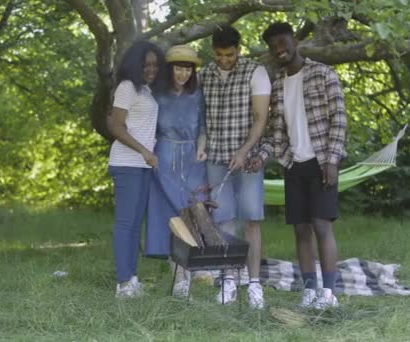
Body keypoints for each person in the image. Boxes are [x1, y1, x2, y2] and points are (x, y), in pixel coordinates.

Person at [251, 22, 347, 310]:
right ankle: (309, 290)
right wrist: (261, 155)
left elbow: (339, 119)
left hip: (321, 162)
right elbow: (275, 132)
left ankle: (328, 294)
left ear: (295, 41)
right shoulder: (277, 83)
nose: (279, 49)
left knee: (321, 225)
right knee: (301, 230)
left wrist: (331, 160)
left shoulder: (322, 73)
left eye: (282, 42)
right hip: (293, 165)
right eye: (273, 46)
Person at [199, 25, 271, 309]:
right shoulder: (204, 75)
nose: (224, 59)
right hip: (216, 158)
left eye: (229, 54)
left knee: (252, 220)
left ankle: (254, 285)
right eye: (219, 54)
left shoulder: (256, 72)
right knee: (223, 222)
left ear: (238, 50)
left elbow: (260, 117)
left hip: (248, 160)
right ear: (213, 51)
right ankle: (229, 280)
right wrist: (201, 145)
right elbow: (201, 119)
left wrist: (243, 151)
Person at [145, 45, 208, 297]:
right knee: (169, 217)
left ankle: (187, 277)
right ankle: (178, 279)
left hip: (193, 159)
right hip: (164, 157)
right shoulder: (156, 94)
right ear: (170, 69)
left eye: (187, 69)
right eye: (178, 68)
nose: (183, 74)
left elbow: (203, 127)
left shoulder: (198, 94)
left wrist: (202, 149)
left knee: (192, 214)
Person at [107, 40, 167, 299]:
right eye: (146, 65)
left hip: (142, 166)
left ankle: (131, 279)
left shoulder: (145, 91)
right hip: (127, 164)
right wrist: (144, 150)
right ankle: (123, 283)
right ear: (136, 64)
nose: (151, 69)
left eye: (155, 65)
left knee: (134, 226)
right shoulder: (127, 87)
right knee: (126, 224)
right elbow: (116, 127)